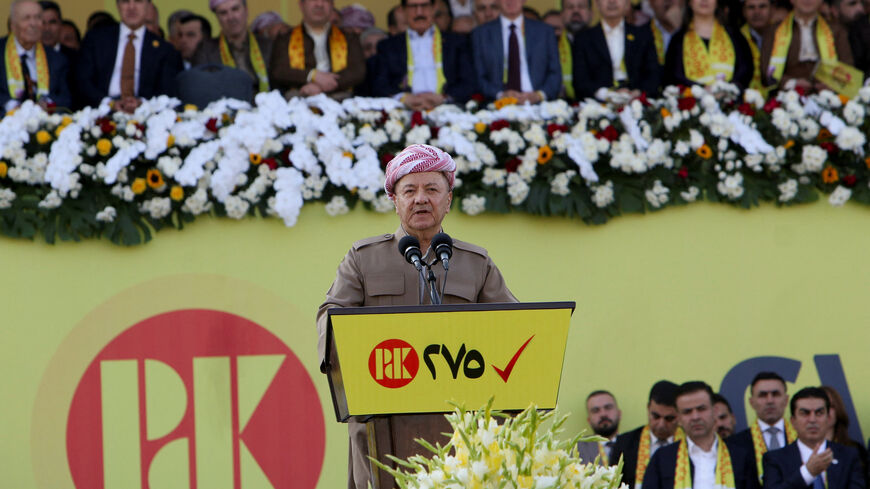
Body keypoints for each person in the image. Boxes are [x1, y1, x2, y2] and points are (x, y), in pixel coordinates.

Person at [316, 143, 517, 489]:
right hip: (385, 427)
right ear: (395, 200)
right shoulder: (364, 258)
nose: (420, 199)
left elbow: (514, 329)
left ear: (449, 199)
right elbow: (331, 319)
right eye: (409, 190)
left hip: (460, 431)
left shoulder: (475, 263)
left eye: (432, 189)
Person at [642, 381, 760, 489]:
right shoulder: (663, 458)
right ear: (678, 418)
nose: (695, 417)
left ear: (714, 411)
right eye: (687, 411)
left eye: (701, 409)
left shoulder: (740, 456)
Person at [75, 0, 181, 112]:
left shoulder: (164, 49)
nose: (131, 7)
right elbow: (83, 81)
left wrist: (141, 103)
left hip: (146, 115)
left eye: (138, 1)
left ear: (148, 6)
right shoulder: (96, 39)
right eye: (125, 1)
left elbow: (166, 91)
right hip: (100, 112)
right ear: (117, 5)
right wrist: (109, 103)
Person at [371, 0, 475, 107]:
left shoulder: (456, 42)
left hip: (447, 109)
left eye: (424, 5)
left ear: (433, 8)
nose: (419, 12)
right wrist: (403, 97)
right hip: (404, 110)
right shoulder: (388, 46)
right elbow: (380, 85)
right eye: (413, 6)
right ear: (403, 10)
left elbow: (468, 83)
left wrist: (444, 97)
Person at [762, 387, 866, 489]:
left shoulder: (848, 456)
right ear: (793, 421)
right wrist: (808, 473)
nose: (812, 419)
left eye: (819, 413)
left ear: (828, 418)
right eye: (805, 413)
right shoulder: (774, 459)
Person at [269, 0, 365, 99]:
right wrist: (311, 76)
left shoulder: (349, 37)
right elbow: (279, 71)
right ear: (301, 5)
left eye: (326, 1)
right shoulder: (285, 38)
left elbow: (357, 71)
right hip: (300, 93)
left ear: (332, 5)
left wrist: (322, 86)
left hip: (339, 94)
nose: (319, 4)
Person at [471, 0, 562, 102]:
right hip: (498, 104)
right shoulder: (481, 34)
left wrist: (538, 95)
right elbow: (478, 76)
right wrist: (500, 95)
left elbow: (555, 73)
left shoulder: (544, 31)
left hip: (538, 103)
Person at [572, 0, 662, 100]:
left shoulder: (643, 35)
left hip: (637, 102)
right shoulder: (583, 39)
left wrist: (637, 93)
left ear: (627, 4)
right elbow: (580, 81)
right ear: (597, 4)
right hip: (599, 105)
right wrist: (607, 94)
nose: (612, 2)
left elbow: (653, 75)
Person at [759, 0, 854, 91]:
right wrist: (792, 83)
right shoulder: (774, 31)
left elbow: (848, 66)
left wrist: (833, 84)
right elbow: (766, 70)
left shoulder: (837, 31)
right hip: (786, 96)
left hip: (829, 96)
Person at [663, 0, 753, 89]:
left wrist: (726, 90)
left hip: (730, 100)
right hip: (692, 100)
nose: (704, 0)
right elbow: (673, 76)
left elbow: (745, 71)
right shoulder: (678, 39)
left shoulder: (735, 35)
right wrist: (702, 90)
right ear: (690, 2)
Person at [611, 380, 684, 489]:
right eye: (656, 416)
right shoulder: (625, 443)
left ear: (679, 414)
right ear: (648, 408)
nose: (661, 425)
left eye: (669, 418)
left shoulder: (689, 443)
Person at [1, 0, 71, 113]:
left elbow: (65, 98)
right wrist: (11, 105)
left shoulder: (57, 59)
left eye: (38, 18)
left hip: (44, 124)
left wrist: (47, 103)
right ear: (13, 25)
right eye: (26, 18)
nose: (33, 24)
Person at [191, 0, 273, 94]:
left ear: (246, 11)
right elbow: (201, 88)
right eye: (223, 13)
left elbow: (278, 86)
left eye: (235, 9)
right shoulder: (205, 50)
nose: (231, 17)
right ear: (217, 17)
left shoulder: (267, 45)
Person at [729, 372, 797, 483]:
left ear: (786, 400)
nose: (770, 401)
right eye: (762, 395)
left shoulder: (802, 438)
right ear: (751, 402)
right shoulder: (736, 445)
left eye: (775, 394)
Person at [821, 386, 869, 483]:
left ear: (838, 410)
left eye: (831, 406)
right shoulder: (797, 450)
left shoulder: (856, 450)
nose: (827, 411)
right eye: (820, 408)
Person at [578, 390, 622, 465]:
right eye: (596, 410)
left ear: (619, 414)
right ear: (589, 420)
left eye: (608, 408)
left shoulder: (635, 445)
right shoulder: (578, 450)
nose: (603, 414)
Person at [740, 0, 771, 92]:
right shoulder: (736, 38)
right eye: (751, 7)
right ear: (744, 12)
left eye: (762, 6)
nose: (757, 12)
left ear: (771, 9)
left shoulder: (783, 35)